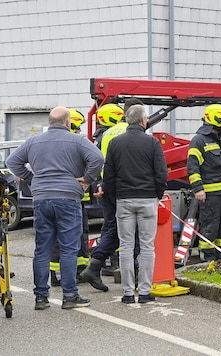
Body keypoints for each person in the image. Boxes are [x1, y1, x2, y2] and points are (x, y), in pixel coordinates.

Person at [6, 106, 104, 310]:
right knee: (69, 248)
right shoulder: (77, 140)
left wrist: (33, 178)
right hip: (68, 197)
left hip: (41, 198)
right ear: (68, 123)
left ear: (49, 122)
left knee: (42, 248)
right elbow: (98, 159)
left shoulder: (34, 141)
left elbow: (12, 161)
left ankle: (41, 297)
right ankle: (69, 296)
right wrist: (86, 179)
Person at [102, 104, 167, 304]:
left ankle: (128, 293)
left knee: (126, 246)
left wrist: (116, 197)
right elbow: (161, 174)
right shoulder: (152, 143)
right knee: (147, 247)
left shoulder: (115, 143)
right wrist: (157, 195)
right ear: (143, 121)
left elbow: (109, 177)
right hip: (147, 198)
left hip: (124, 199)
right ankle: (145, 291)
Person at [80, 101, 131, 292]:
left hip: (106, 186)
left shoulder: (103, 136)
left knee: (112, 226)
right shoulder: (118, 133)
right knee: (121, 228)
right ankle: (106, 265)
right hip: (119, 187)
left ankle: (98, 265)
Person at [187, 104, 221, 262]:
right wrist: (198, 189)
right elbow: (192, 167)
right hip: (209, 195)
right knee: (210, 226)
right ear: (217, 120)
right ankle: (208, 258)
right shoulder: (199, 141)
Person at [49, 109, 90, 286]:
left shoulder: (53, 144)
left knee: (56, 236)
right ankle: (71, 274)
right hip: (72, 198)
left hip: (54, 197)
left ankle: (63, 273)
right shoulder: (76, 144)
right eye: (77, 127)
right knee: (72, 236)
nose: (79, 131)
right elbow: (94, 161)